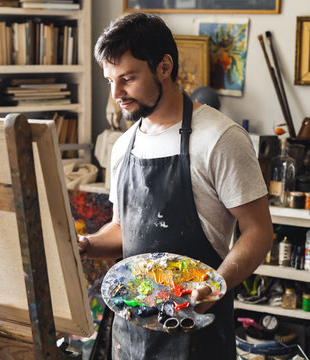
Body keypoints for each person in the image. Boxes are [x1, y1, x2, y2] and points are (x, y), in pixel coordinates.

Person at [78, 12, 273, 359]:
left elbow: (258, 231)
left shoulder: (220, 139)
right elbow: (125, 229)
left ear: (164, 67)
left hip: (196, 334)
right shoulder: (124, 146)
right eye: (110, 80)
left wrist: (215, 285)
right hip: (131, 335)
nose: (116, 93)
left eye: (127, 78)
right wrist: (88, 245)